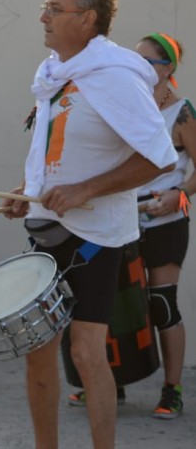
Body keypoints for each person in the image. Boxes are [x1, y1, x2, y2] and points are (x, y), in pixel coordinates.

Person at [1, 0, 177, 449]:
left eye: (55, 9)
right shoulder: (54, 74)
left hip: (94, 236)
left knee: (87, 352)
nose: (44, 17)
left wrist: (85, 191)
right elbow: (55, 151)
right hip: (45, 226)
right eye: (46, 6)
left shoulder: (115, 76)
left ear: (88, 19)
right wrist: (25, 189)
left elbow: (159, 158)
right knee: (37, 352)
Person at [67, 33, 191, 418]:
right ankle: (110, 382)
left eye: (148, 62)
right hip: (121, 218)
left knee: (160, 302)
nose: (137, 67)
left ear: (167, 69)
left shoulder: (182, 112)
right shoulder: (122, 102)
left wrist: (180, 195)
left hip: (165, 218)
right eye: (132, 60)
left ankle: (172, 389)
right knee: (108, 302)